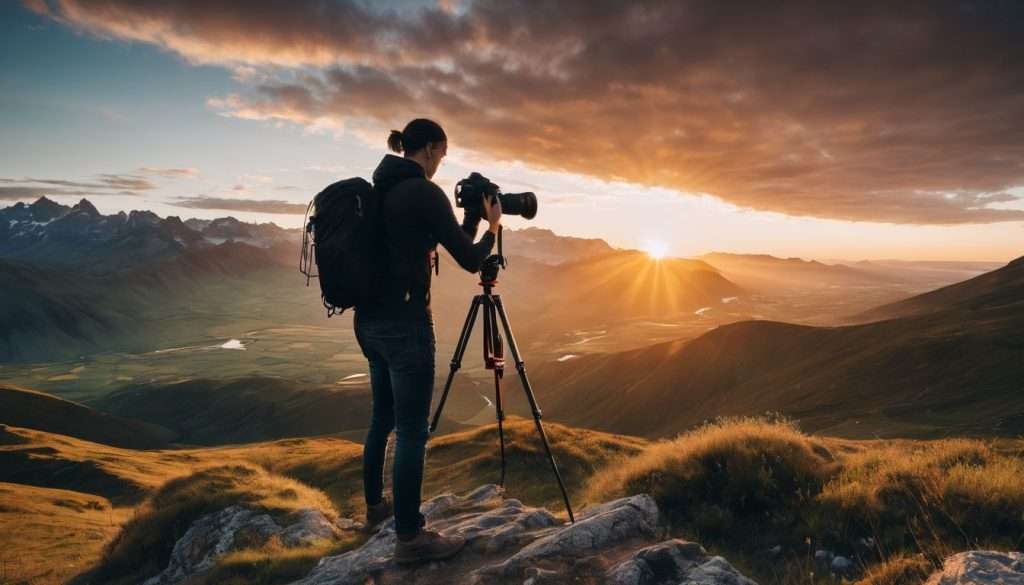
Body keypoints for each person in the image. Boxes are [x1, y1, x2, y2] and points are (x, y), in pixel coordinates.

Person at [354, 118, 501, 564]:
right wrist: (493, 226)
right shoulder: (422, 192)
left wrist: (469, 220)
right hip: (406, 326)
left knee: (383, 417)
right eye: (443, 154)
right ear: (432, 149)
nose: (442, 164)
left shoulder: (380, 188)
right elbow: (472, 259)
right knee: (413, 431)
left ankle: (376, 510)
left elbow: (452, 241)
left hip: (369, 323)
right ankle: (411, 539)